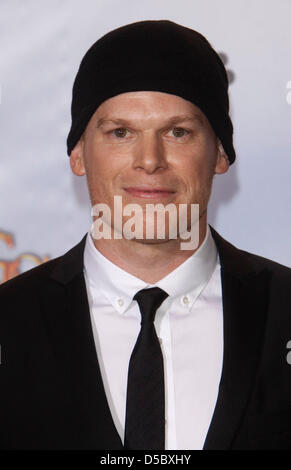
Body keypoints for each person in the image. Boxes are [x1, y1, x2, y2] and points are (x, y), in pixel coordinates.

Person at [1, 19, 291, 451]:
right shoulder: (10, 319)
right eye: (121, 133)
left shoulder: (284, 309)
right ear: (78, 154)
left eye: (178, 132)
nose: (150, 160)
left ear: (221, 153)